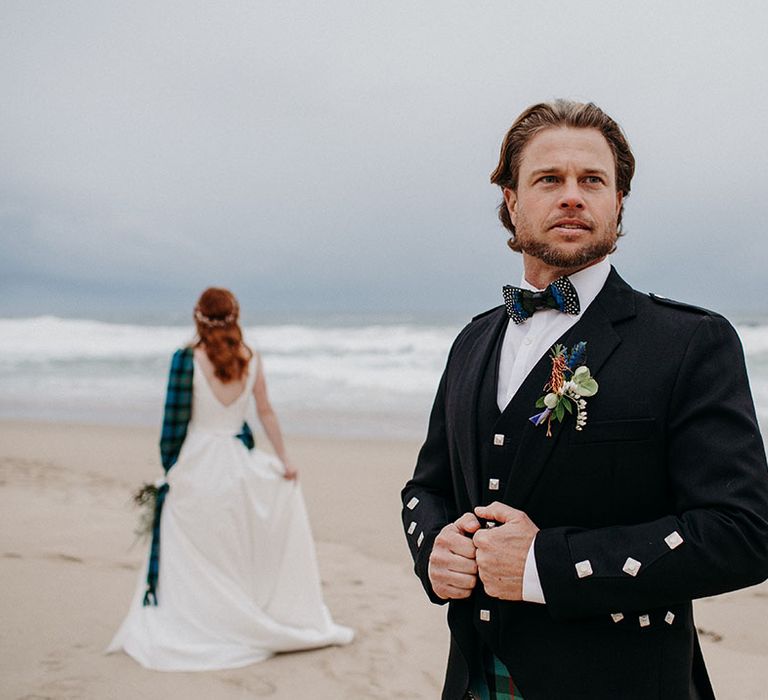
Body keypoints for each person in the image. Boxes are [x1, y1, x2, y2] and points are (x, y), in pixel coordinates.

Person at [401, 100, 768, 699]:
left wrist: (543, 563)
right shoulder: (472, 340)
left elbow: (745, 533)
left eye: (592, 180)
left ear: (618, 201)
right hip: (474, 679)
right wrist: (436, 550)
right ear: (512, 200)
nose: (572, 196)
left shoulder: (689, 342)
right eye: (549, 179)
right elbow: (428, 487)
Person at [108, 287, 353, 671]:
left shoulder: (185, 359)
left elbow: (172, 423)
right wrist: (284, 460)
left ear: (197, 318)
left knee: (196, 548)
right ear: (236, 316)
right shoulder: (251, 357)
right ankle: (238, 615)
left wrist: (168, 469)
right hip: (240, 466)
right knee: (232, 549)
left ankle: (206, 620)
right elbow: (266, 412)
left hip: (198, 462)